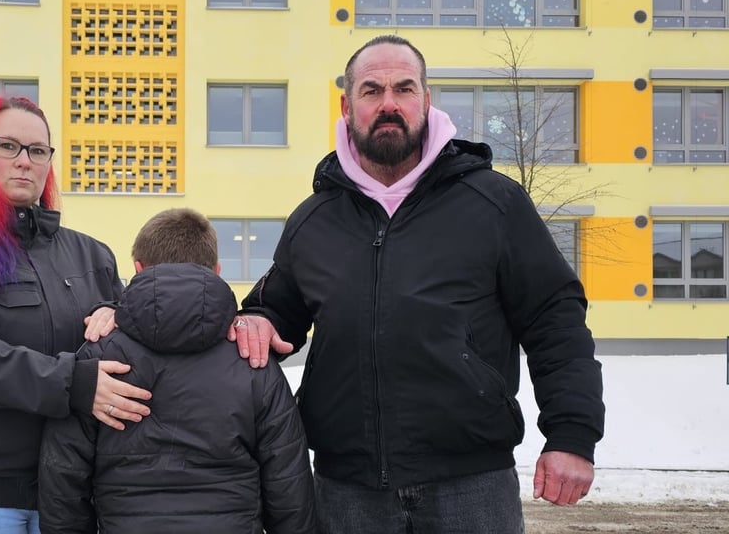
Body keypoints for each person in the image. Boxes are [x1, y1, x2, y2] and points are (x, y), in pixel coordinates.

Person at [229, 35, 605, 533]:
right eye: (371, 90)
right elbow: (275, 312)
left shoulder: (494, 203)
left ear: (426, 101)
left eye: (404, 88)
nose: (389, 103)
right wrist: (255, 319)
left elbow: (555, 321)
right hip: (347, 493)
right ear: (347, 106)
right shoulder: (314, 220)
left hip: (471, 489)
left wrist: (572, 436)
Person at [0, 96, 152, 534]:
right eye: (8, 146)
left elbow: (130, 343)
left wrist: (116, 313)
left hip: (67, 496)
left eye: (38, 150)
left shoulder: (91, 254)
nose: (25, 161)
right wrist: (72, 383)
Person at [38, 208, 316, 533]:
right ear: (216, 270)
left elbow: (63, 475)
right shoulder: (251, 356)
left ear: (138, 269)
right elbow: (288, 482)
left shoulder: (98, 355)